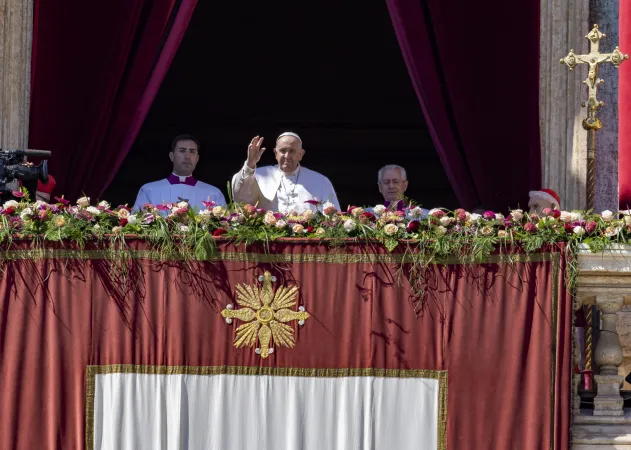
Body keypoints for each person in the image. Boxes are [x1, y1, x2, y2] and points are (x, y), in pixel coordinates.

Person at [231, 132, 339, 213]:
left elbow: (333, 217)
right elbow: (241, 198)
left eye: (292, 151)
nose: (287, 156)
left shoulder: (320, 181)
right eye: (282, 151)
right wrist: (250, 164)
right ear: (275, 153)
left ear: (301, 154)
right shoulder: (258, 175)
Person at [133, 134, 226, 211]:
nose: (187, 156)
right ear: (171, 156)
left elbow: (225, 229)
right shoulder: (149, 190)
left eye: (192, 151)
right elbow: (136, 227)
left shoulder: (213, 193)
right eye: (182, 151)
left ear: (197, 158)